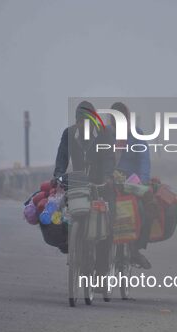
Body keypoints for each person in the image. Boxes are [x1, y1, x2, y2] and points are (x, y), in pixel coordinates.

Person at [53, 101, 115, 276]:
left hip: (100, 184)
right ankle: (72, 244)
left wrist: (108, 176)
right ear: (77, 121)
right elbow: (62, 158)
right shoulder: (69, 134)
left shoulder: (104, 134)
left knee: (108, 223)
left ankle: (103, 270)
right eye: (82, 122)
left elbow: (109, 157)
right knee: (62, 217)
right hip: (78, 182)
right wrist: (57, 176)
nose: (85, 125)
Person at [109, 102, 153, 269]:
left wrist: (142, 182)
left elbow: (143, 160)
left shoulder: (136, 134)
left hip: (131, 182)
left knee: (141, 211)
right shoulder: (106, 134)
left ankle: (134, 251)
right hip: (109, 181)